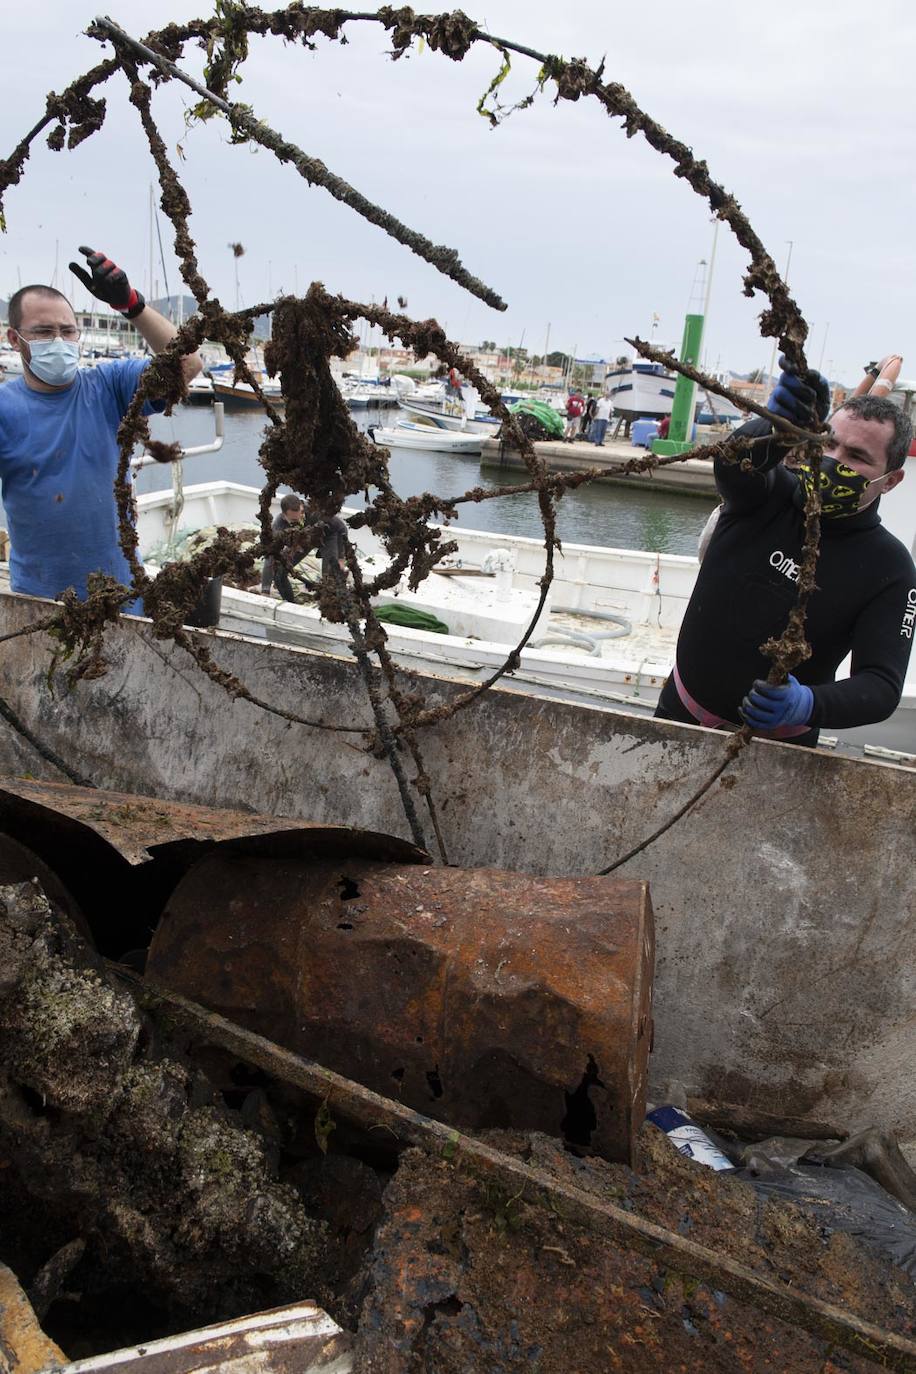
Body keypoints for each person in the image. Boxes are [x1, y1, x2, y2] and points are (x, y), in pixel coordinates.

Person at [654, 364, 915, 747]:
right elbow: (733, 464)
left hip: (782, 746)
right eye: (828, 443)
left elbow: (881, 686)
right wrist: (774, 430)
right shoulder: (767, 496)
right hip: (681, 713)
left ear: (890, 480)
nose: (834, 461)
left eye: (856, 456)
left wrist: (808, 703)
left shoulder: (890, 568)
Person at [0, 246, 202, 606]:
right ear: (15, 339)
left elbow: (188, 364)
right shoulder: (4, 408)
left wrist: (132, 305)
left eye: (68, 330)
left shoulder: (111, 385)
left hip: (122, 593)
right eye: (44, 332)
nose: (59, 341)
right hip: (39, 601)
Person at [260, 495, 348, 600]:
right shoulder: (279, 525)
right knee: (279, 573)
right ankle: (290, 604)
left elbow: (341, 527)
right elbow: (271, 555)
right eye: (294, 520)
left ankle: (330, 604)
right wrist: (265, 591)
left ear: (302, 507)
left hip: (327, 537)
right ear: (284, 516)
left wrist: (341, 559)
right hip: (303, 542)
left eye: (301, 514)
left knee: (329, 578)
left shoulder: (315, 512)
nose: (300, 519)